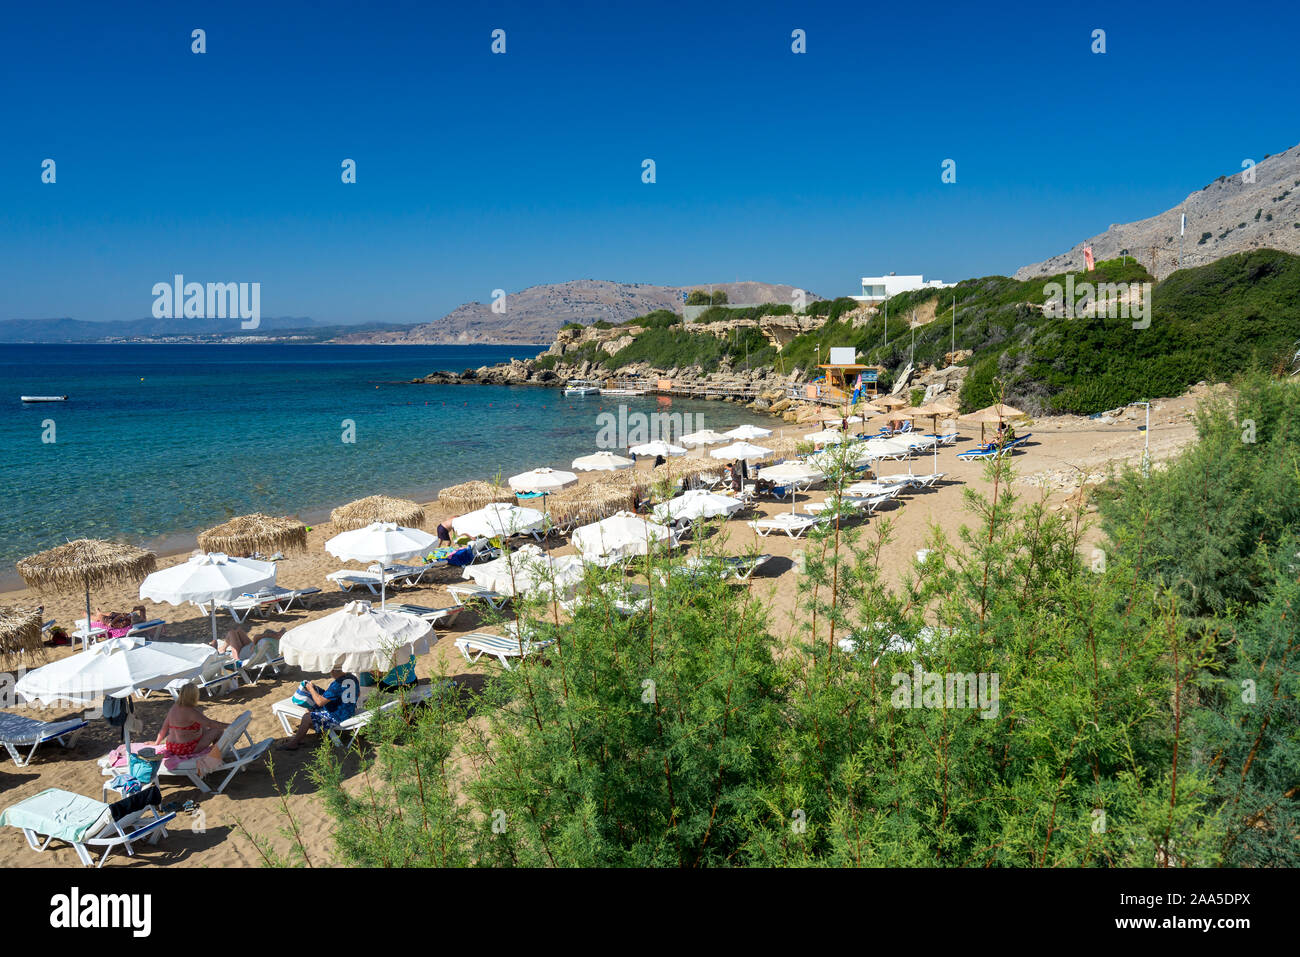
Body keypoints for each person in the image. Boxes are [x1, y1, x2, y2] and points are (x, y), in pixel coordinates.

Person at [278, 663, 360, 750]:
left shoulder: (337, 684)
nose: (330, 673)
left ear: (333, 670)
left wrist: (311, 689)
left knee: (307, 717)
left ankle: (293, 743)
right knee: (310, 709)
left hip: (338, 716)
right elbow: (358, 694)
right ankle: (300, 738)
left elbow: (320, 702)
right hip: (350, 710)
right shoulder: (352, 678)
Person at [152, 682, 229, 758]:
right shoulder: (191, 711)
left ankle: (215, 753)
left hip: (171, 746)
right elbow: (210, 723)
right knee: (218, 730)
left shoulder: (174, 708)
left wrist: (156, 743)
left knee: (202, 726)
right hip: (185, 749)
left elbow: (164, 728)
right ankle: (217, 755)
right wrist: (229, 725)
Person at [215, 625, 285, 660]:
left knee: (231, 632)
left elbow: (256, 637)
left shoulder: (265, 640)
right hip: (252, 648)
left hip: (240, 654)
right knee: (239, 630)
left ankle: (222, 649)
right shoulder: (276, 642)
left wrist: (267, 635)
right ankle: (222, 648)